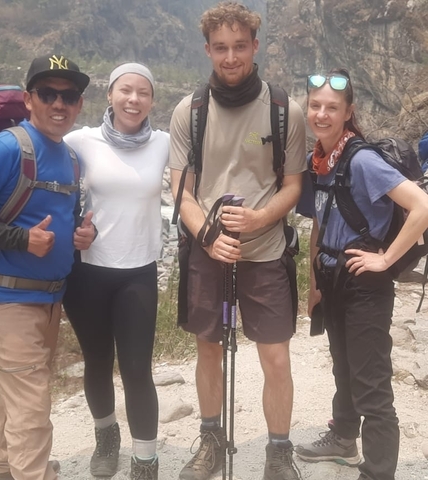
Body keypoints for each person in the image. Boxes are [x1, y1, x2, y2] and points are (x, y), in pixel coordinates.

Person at [0, 54, 96, 480]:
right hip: (9, 300)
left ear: (80, 104)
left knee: (10, 394)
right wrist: (22, 239)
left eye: (69, 96)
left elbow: (62, 216)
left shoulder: (70, 158)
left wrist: (84, 235)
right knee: (32, 408)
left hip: (48, 301)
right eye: (48, 94)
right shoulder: (6, 148)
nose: (59, 104)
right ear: (29, 99)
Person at [168, 2, 307, 480]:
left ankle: (278, 453)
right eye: (221, 48)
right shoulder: (190, 110)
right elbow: (181, 190)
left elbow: (292, 185)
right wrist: (208, 236)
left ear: (255, 46)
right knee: (208, 347)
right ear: (208, 50)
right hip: (209, 252)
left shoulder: (284, 111)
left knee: (275, 354)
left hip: (266, 252)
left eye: (239, 47)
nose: (230, 58)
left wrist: (260, 218)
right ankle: (211, 441)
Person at [295, 68, 428, 480]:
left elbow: (422, 205)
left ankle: (378, 471)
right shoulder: (319, 160)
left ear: (348, 112)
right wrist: (314, 286)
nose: (321, 114)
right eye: (315, 106)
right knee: (343, 367)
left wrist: (386, 260)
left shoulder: (363, 160)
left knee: (370, 382)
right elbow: (319, 223)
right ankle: (343, 438)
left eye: (332, 107)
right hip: (334, 278)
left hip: (366, 283)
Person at [62, 63, 169, 480]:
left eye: (143, 92)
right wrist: (70, 230)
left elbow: (214, 160)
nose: (133, 99)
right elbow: (48, 187)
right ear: (110, 95)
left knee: (138, 368)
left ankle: (146, 460)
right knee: (97, 360)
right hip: (87, 271)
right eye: (125, 90)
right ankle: (106, 437)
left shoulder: (162, 144)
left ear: (152, 101)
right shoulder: (79, 141)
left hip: (138, 270)